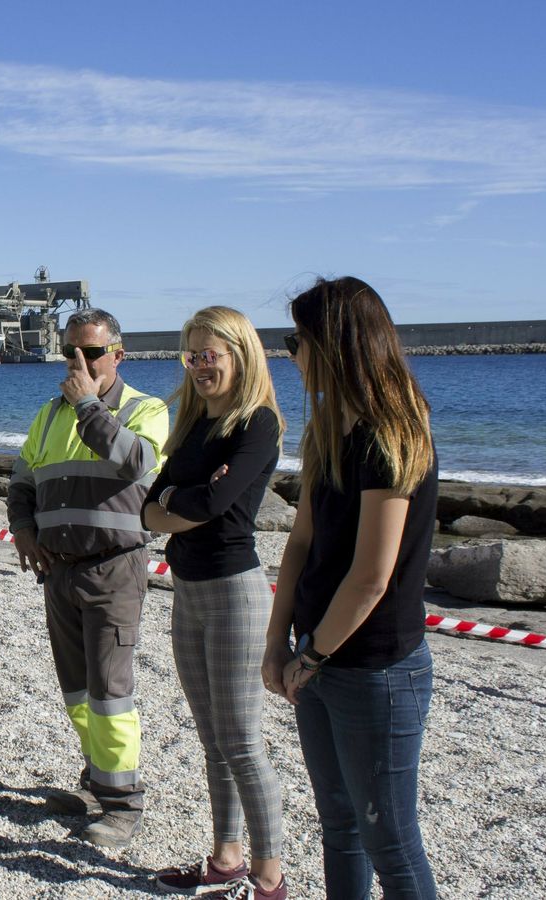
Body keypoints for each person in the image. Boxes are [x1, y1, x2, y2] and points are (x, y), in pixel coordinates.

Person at [264, 277, 440, 900]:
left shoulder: (390, 433)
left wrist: (310, 657)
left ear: (335, 344)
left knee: (389, 839)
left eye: (297, 341)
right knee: (338, 827)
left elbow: (371, 577)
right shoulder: (327, 431)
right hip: (319, 651)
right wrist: (276, 643)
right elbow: (302, 543)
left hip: (375, 667)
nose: (293, 355)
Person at [6, 308, 169, 848]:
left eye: (92, 352)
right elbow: (24, 477)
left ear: (118, 356)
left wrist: (88, 405)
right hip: (59, 571)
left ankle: (124, 803)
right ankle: (98, 782)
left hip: (114, 570)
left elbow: (136, 462)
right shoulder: (50, 415)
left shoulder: (145, 409)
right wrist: (23, 528)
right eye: (70, 351)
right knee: (77, 690)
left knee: (110, 691)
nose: (80, 361)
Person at [144, 307, 290, 899]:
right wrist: (184, 498)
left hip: (236, 592)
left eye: (212, 354)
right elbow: (150, 508)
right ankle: (225, 859)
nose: (202, 365)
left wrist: (181, 501)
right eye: (193, 355)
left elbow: (211, 504)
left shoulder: (258, 424)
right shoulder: (190, 424)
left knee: (242, 741)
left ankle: (270, 877)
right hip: (188, 589)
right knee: (211, 738)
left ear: (240, 354)